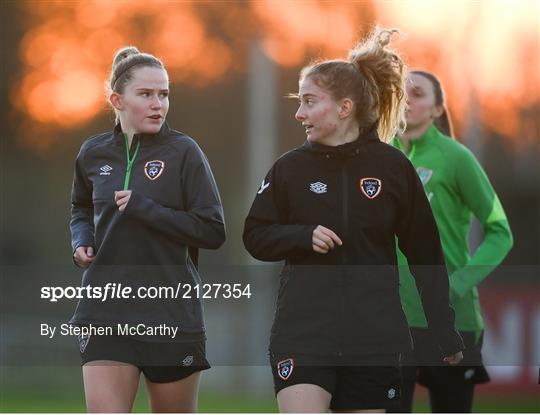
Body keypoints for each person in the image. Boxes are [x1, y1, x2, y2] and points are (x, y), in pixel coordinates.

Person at [243, 27, 464, 413]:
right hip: (303, 334)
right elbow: (255, 235)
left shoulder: (394, 168)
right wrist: (301, 236)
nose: (299, 113)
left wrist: (443, 331)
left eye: (310, 102)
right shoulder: (289, 169)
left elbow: (426, 255)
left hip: (375, 339)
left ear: (344, 108)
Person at [69, 46, 225, 412]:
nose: (159, 104)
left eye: (164, 94)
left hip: (171, 316)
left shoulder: (184, 152)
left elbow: (212, 230)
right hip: (104, 313)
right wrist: (81, 240)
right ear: (117, 100)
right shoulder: (92, 153)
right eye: (146, 94)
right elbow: (80, 207)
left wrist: (146, 209)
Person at [393, 70, 513, 413]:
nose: (407, 100)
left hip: (452, 320)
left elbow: (500, 231)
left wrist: (456, 284)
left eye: (417, 93)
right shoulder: (383, 157)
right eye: (401, 93)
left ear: (437, 109)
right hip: (392, 320)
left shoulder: (457, 158)